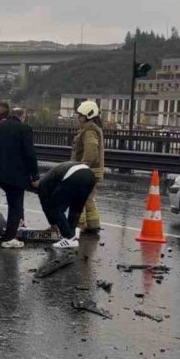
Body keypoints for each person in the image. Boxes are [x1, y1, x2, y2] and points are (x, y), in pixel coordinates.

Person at [0, 106, 38, 249]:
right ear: (23, 116)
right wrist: (35, 175)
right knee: (15, 205)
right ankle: (10, 237)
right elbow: (29, 154)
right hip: (15, 175)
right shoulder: (24, 129)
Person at [35, 161, 96, 249]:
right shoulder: (51, 175)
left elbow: (46, 205)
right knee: (76, 207)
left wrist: (52, 223)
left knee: (55, 208)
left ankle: (69, 237)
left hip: (74, 175)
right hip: (89, 175)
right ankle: (73, 232)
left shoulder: (42, 184)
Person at [72, 100, 104, 234]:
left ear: (87, 115)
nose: (78, 118)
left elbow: (90, 150)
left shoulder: (90, 130)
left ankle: (78, 224)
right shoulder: (91, 128)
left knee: (79, 197)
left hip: (87, 171)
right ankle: (93, 225)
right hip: (93, 171)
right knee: (88, 198)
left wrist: (82, 166)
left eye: (80, 115)